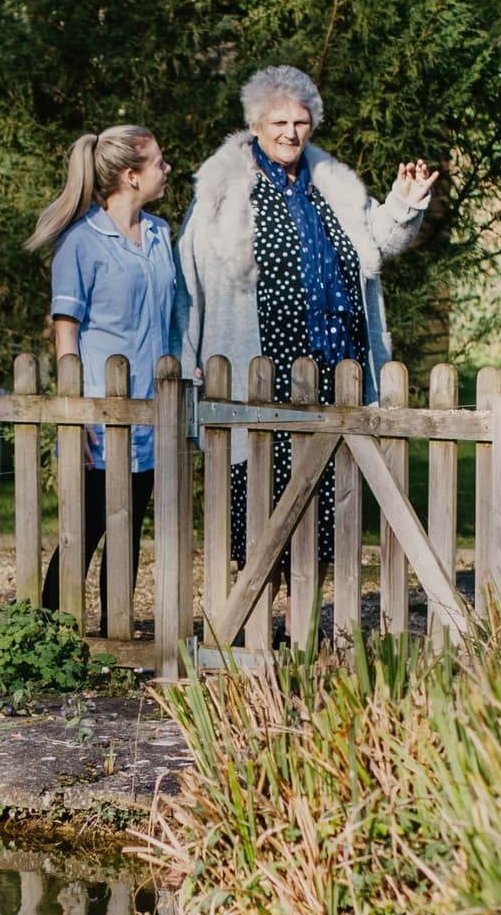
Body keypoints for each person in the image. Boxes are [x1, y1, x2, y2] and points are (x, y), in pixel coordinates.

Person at [178, 68, 438, 615]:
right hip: (258, 376)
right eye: (279, 122)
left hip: (331, 371)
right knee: (258, 509)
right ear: (254, 124)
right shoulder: (223, 193)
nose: (291, 132)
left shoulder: (332, 186)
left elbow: (377, 244)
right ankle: (248, 628)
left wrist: (406, 203)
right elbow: (189, 286)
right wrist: (190, 358)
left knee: (325, 507)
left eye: (300, 121)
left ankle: (304, 627)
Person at [31, 125, 178, 610]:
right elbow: (65, 330)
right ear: (132, 176)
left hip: (153, 413)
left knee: (130, 524)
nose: (167, 169)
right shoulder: (82, 243)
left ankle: (116, 632)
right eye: (159, 162)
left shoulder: (159, 234)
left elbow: (170, 317)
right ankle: (49, 629)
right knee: (89, 525)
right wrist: (77, 410)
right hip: (100, 414)